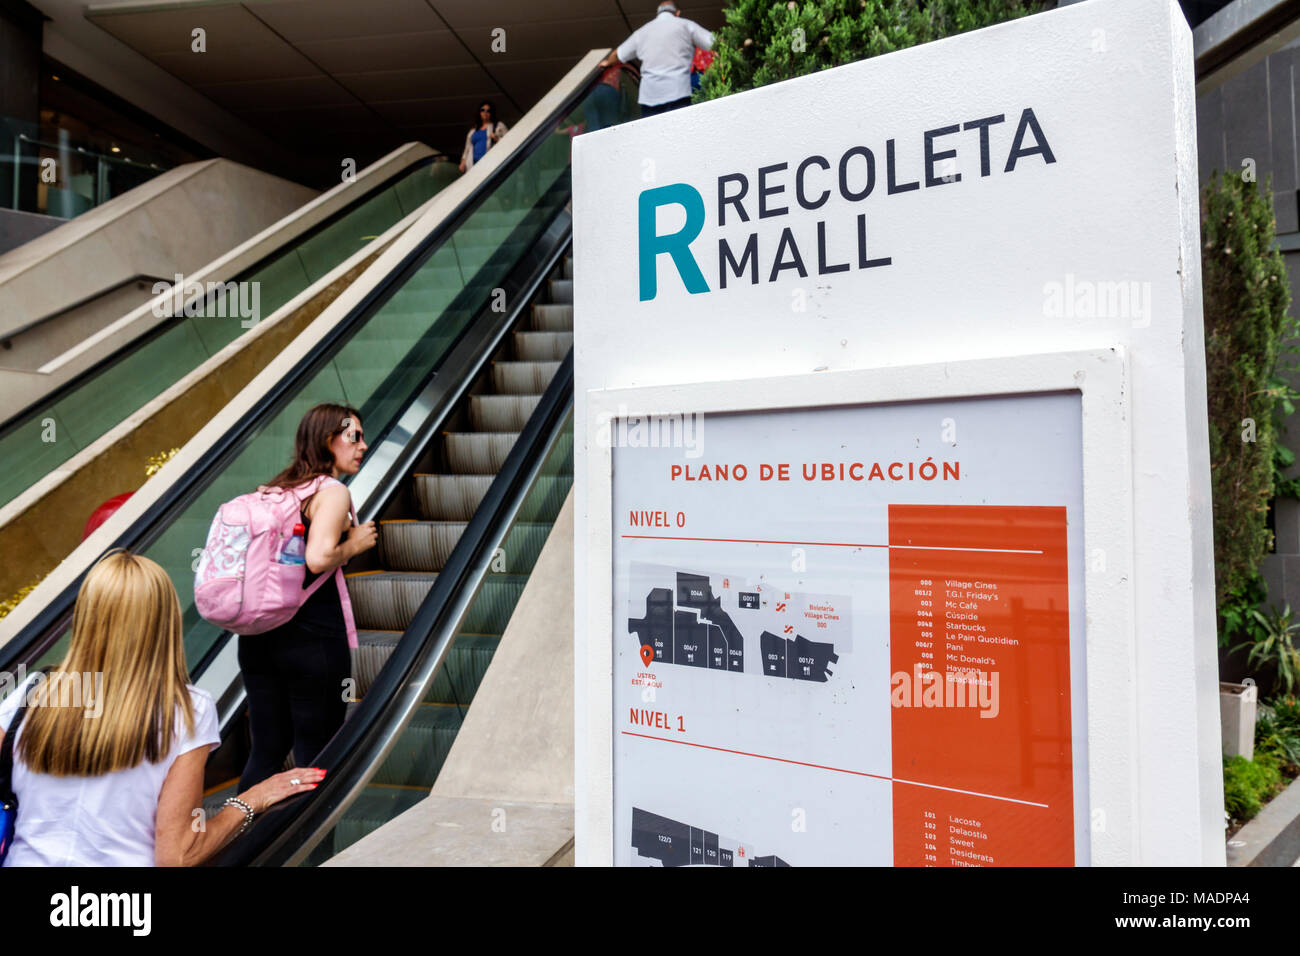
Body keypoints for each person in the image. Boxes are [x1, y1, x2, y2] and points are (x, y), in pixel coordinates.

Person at [0, 550, 321, 866]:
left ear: (85, 618)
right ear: (164, 622)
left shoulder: (32, 693)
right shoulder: (186, 710)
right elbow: (177, 855)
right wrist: (251, 800)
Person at [237, 403, 378, 794]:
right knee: (318, 757)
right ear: (326, 440)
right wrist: (354, 544)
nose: (362, 446)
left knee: (267, 749)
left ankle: (239, 844)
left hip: (258, 639)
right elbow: (317, 558)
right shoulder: (330, 491)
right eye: (354, 437)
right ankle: (310, 852)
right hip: (312, 642)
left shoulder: (276, 489)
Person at [600, 1, 714, 118]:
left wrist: (607, 62)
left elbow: (617, 55)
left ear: (657, 14)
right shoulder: (686, 25)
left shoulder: (642, 32)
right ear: (677, 13)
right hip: (678, 92)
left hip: (650, 98)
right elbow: (716, 44)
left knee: (654, 134)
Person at [459, 101, 509, 173]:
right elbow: (467, 148)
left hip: (490, 164)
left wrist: (497, 139)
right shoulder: (473, 131)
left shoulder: (498, 126)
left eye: (488, 111)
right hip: (473, 165)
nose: (485, 112)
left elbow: (509, 141)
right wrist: (463, 162)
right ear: (479, 112)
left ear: (491, 113)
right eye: (483, 110)